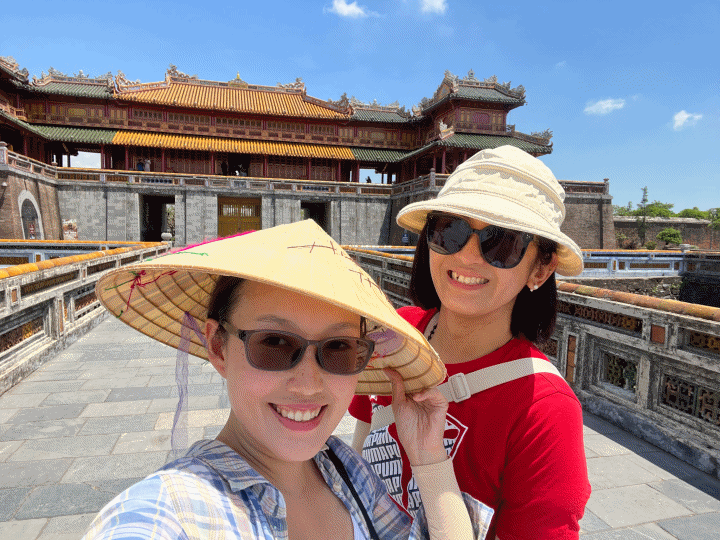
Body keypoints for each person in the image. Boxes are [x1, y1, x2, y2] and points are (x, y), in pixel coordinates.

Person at [83, 220, 493, 540]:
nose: (309, 384)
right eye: (275, 343)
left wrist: (428, 455)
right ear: (218, 346)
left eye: (339, 347)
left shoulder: (347, 472)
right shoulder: (171, 514)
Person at [350, 146, 592, 540]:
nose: (467, 256)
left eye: (502, 243)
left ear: (541, 267)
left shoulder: (544, 411)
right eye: (450, 231)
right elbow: (362, 447)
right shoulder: (396, 333)